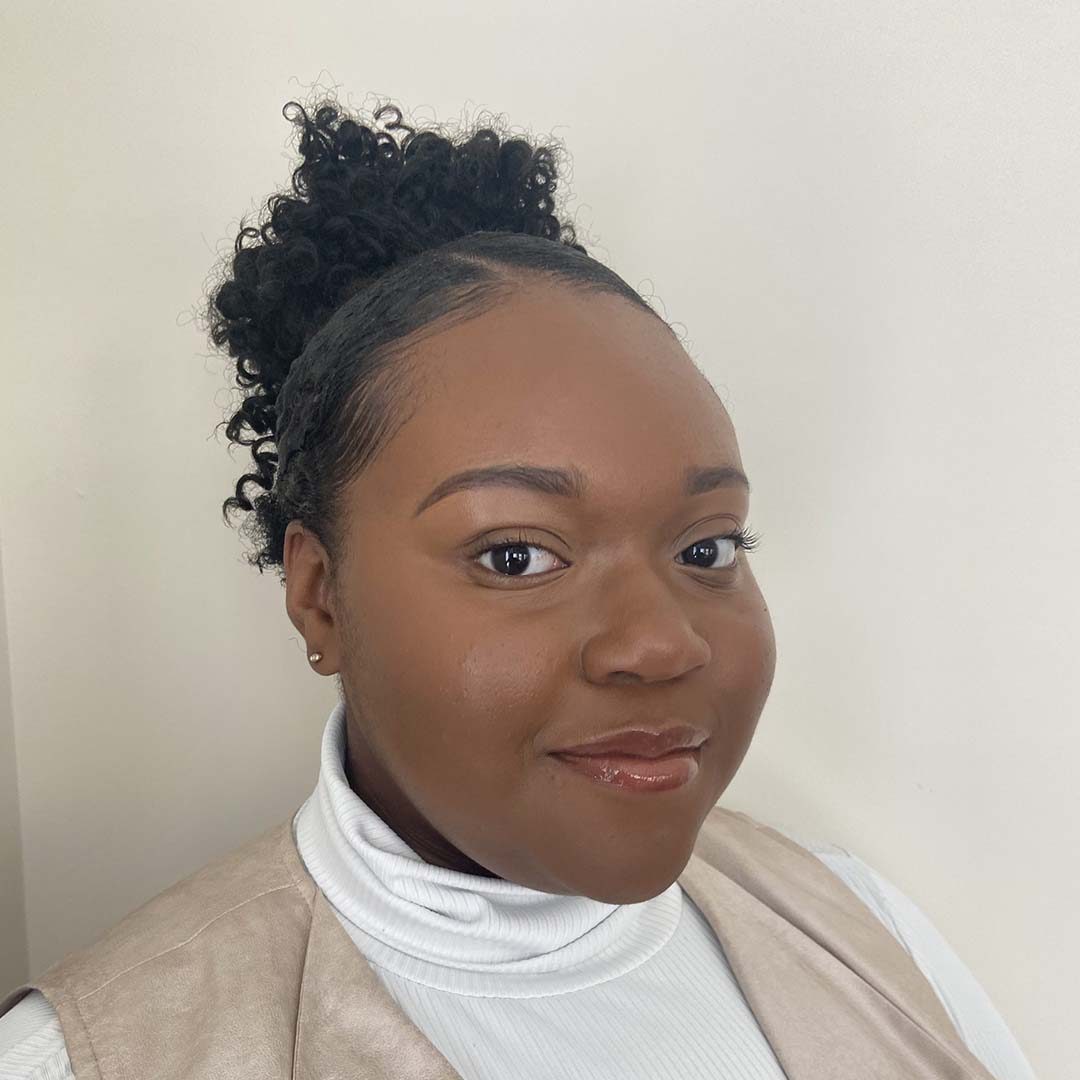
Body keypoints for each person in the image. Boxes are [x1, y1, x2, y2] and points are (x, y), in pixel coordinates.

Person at [0, 95, 1037, 1080]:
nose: (665, 645)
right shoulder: (98, 1055)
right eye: (515, 555)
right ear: (322, 597)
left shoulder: (854, 921)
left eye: (709, 547)